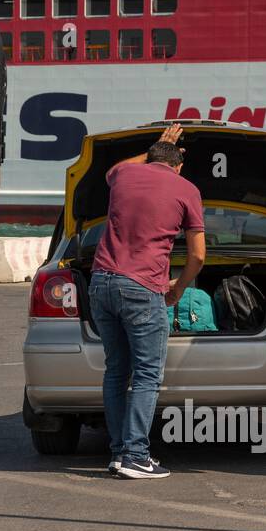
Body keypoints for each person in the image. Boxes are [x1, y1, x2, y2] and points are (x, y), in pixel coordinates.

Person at [89, 125, 205, 480]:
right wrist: (179, 289)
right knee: (147, 375)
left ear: (149, 158)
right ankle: (136, 454)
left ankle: (118, 451)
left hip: (101, 283)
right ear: (180, 166)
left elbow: (113, 169)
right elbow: (198, 256)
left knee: (116, 371)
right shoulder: (187, 189)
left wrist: (156, 147)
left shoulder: (124, 175)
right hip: (143, 288)